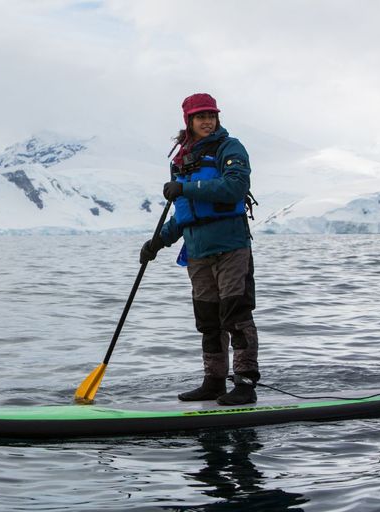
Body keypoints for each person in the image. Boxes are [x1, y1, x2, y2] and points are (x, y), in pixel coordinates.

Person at [139, 92, 260, 406]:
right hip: (198, 252)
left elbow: (235, 187)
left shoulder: (230, 148)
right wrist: (157, 242)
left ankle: (245, 384)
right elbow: (184, 213)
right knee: (208, 321)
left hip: (231, 247)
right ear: (188, 121)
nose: (207, 121)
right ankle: (214, 382)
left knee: (236, 315)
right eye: (200, 117)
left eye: (211, 116)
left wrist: (185, 187)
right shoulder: (181, 160)